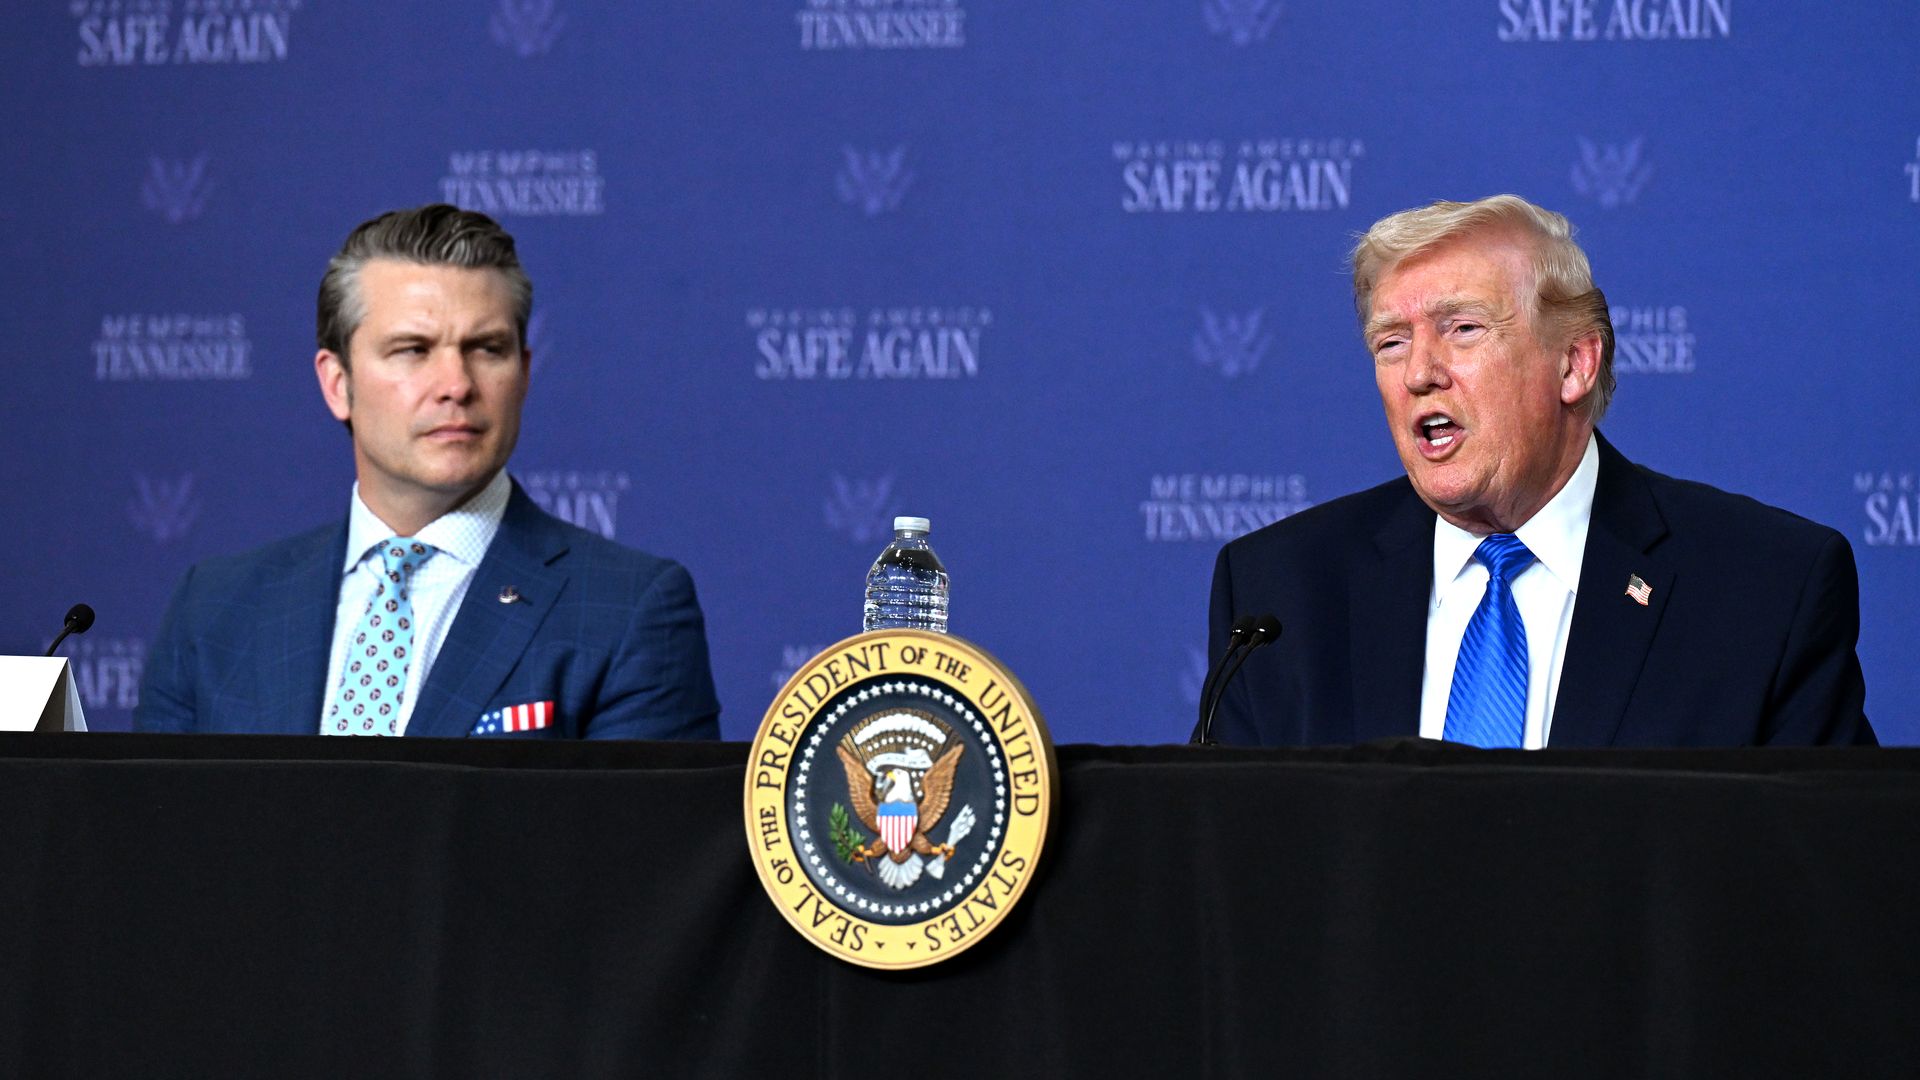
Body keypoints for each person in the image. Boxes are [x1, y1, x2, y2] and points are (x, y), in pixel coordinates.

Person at [1203, 195, 1873, 748]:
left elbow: (1826, 874)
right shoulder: (1280, 595)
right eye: (1391, 342)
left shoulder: (1762, 590)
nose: (1419, 373)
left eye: (1462, 328)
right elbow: (1223, 865)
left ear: (1575, 364)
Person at [135, 205, 720, 739]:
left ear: (525, 372)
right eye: (413, 350)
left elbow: (639, 853)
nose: (457, 386)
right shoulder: (214, 610)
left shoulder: (629, 611)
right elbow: (155, 842)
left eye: (487, 349)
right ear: (338, 384)